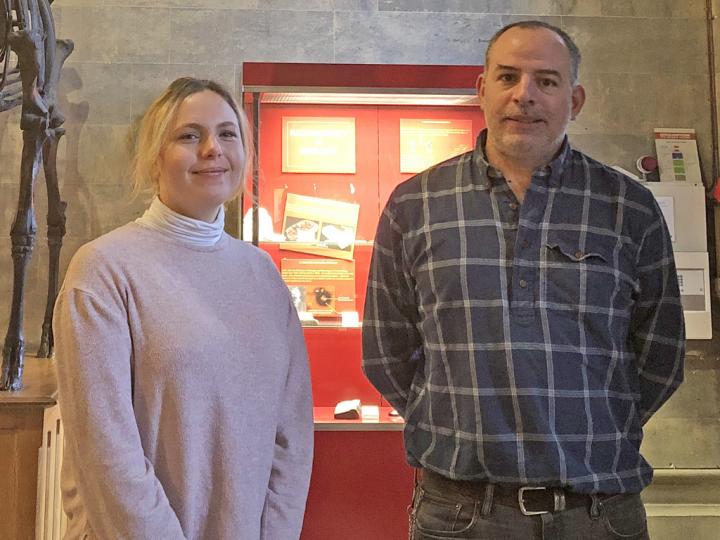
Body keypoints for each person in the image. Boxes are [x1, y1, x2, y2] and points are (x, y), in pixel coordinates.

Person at [362, 20, 684, 540]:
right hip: (461, 513)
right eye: (508, 77)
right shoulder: (416, 205)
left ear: (574, 100)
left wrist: (591, 428)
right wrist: (456, 421)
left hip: (599, 513)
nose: (524, 96)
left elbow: (661, 355)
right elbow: (386, 352)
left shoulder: (628, 208)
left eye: (546, 81)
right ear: (481, 89)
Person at [54, 77, 314, 540]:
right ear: (154, 158)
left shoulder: (262, 275)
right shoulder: (104, 271)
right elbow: (106, 451)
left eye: (227, 133)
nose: (213, 148)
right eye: (189, 135)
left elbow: (291, 435)